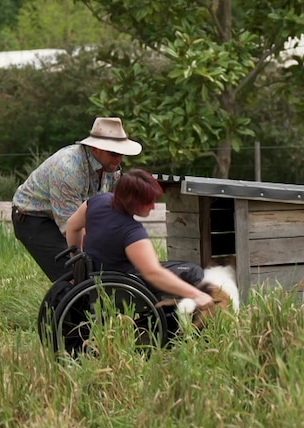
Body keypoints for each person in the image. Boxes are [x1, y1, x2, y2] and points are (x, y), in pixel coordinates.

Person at [12, 117, 142, 281]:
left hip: (66, 217)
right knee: (75, 276)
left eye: (122, 153)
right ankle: (70, 303)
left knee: (97, 266)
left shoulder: (112, 169)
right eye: (114, 153)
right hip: (34, 218)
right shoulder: (68, 169)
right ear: (95, 149)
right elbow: (71, 226)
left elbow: (107, 212)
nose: (119, 159)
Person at [65, 169, 214, 309]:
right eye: (149, 202)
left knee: (177, 266)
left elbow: (71, 226)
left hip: (95, 274)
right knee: (193, 271)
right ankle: (175, 316)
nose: (153, 207)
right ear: (133, 201)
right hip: (124, 282)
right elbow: (152, 273)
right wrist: (198, 294)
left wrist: (78, 261)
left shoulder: (97, 201)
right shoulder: (131, 232)